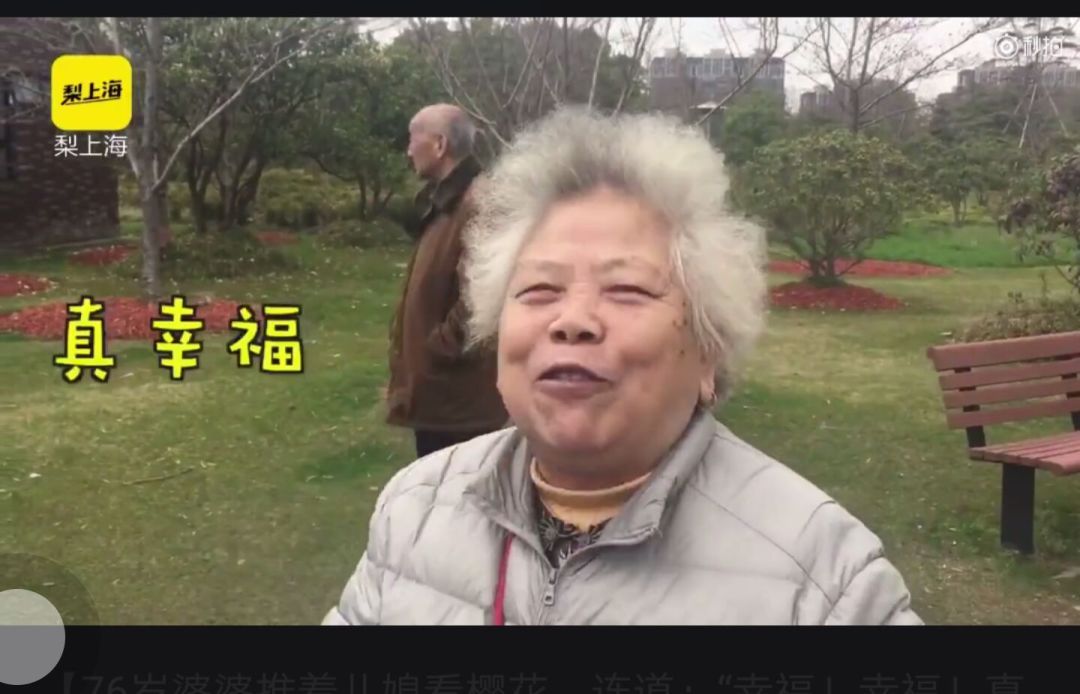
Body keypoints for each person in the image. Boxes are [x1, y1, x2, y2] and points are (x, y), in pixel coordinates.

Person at [324, 107, 922, 625]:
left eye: (627, 290)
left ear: (710, 348)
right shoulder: (415, 508)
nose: (572, 320)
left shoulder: (823, 580)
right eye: (539, 290)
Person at [386, 103, 508, 459]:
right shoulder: (447, 202)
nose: (408, 150)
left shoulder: (480, 202)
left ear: (439, 144)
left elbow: (482, 295)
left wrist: (438, 350)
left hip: (458, 404)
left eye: (413, 139)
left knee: (458, 489)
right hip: (440, 398)